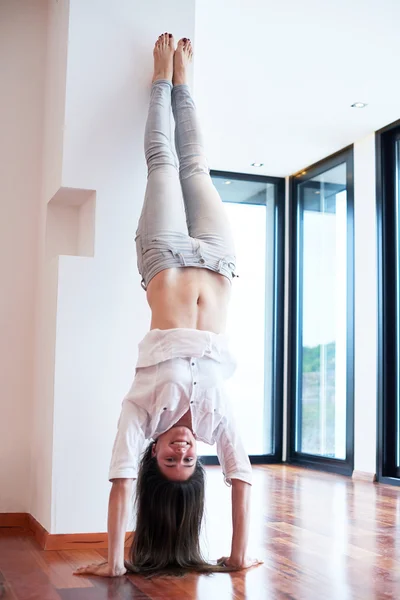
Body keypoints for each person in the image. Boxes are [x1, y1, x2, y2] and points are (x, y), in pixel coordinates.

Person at [75, 33, 261, 578]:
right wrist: (238, 553)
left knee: (162, 161)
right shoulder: (215, 421)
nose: (181, 452)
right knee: (197, 166)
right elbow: (243, 479)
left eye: (169, 460)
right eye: (188, 461)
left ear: (153, 457)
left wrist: (114, 562)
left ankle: (163, 75)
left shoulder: (139, 413)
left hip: (164, 260)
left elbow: (119, 482)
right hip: (220, 261)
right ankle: (186, 84)